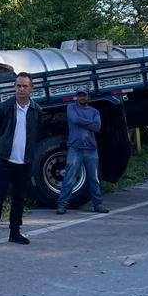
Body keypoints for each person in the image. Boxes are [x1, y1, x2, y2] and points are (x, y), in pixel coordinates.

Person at [0, 72, 42, 246]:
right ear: (14, 87)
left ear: (31, 88)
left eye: (25, 86)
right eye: (18, 86)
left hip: (24, 161)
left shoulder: (35, 110)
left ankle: (15, 232)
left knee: (19, 198)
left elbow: (37, 131)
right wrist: (0, 147)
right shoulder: (5, 107)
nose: (21, 89)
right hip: (5, 159)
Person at [56, 86, 108, 215]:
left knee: (94, 179)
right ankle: (62, 205)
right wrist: (89, 122)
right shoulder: (71, 107)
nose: (82, 97)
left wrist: (82, 122)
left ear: (88, 96)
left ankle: (98, 204)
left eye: (84, 95)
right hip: (75, 148)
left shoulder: (95, 111)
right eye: (79, 95)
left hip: (91, 149)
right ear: (76, 96)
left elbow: (97, 127)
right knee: (68, 178)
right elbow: (74, 119)